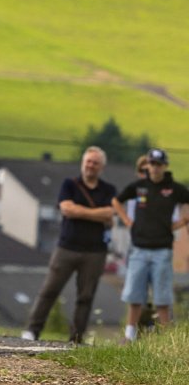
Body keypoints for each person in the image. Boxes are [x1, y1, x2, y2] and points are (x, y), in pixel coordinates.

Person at [21, 146, 116, 343]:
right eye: (88, 161)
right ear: (83, 163)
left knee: (85, 297)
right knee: (49, 290)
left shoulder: (109, 190)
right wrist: (95, 213)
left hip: (95, 252)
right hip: (66, 248)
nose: (91, 166)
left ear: (102, 167)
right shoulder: (69, 184)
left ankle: (76, 338)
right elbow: (66, 209)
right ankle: (32, 330)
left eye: (95, 163)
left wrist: (80, 210)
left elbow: (109, 214)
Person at [111, 148, 189, 342]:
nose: (155, 168)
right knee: (135, 294)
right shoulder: (139, 186)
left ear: (165, 166)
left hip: (162, 249)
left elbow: (186, 203)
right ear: (148, 165)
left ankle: (166, 337)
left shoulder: (173, 188)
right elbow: (116, 201)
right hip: (139, 247)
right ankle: (130, 334)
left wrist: (181, 221)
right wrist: (127, 221)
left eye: (158, 164)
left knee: (162, 296)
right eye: (152, 164)